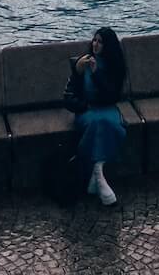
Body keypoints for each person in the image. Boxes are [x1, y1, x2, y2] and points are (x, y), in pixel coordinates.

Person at [64, 27, 127, 206]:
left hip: (107, 108)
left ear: (108, 46)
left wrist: (97, 73)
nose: (95, 44)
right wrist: (84, 105)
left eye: (100, 42)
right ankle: (99, 177)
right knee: (99, 124)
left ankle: (96, 173)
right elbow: (68, 98)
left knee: (109, 123)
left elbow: (112, 96)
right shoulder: (80, 64)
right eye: (94, 40)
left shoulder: (114, 67)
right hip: (87, 111)